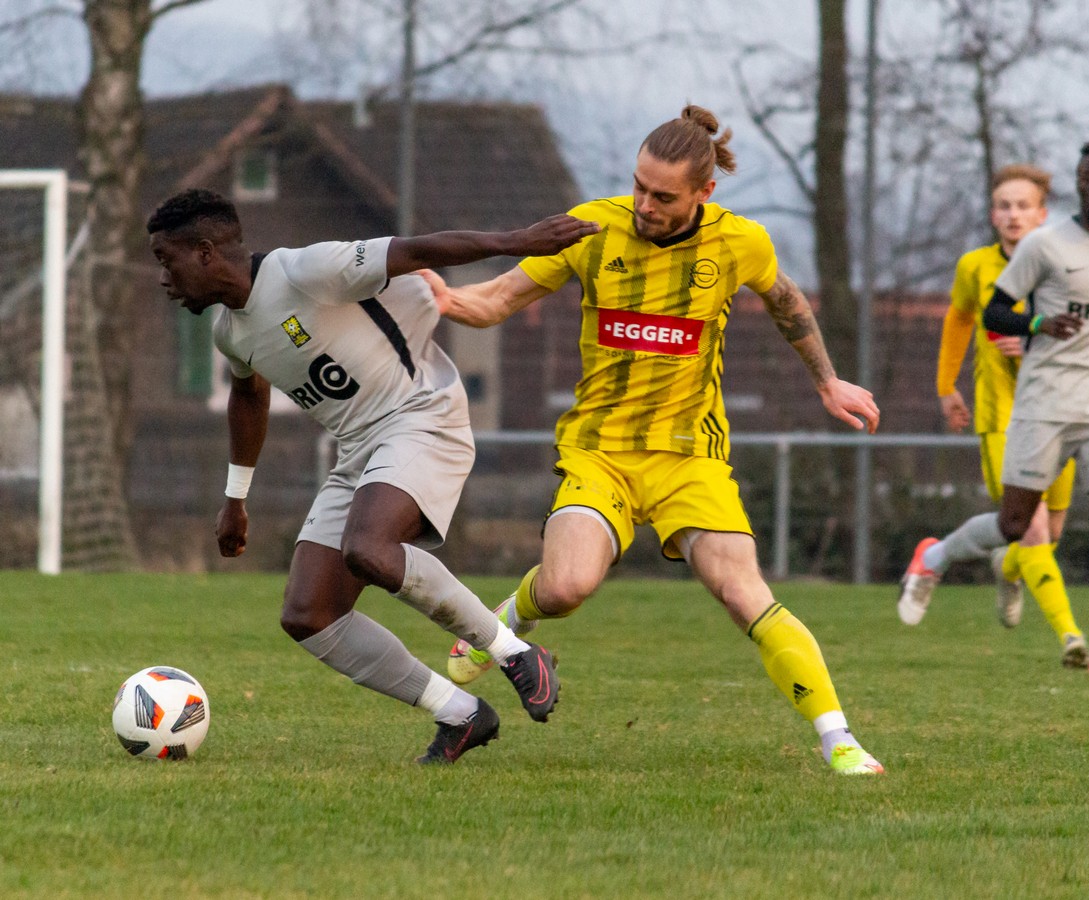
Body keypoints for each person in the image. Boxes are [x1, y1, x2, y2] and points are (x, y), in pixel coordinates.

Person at [421, 105, 884, 775]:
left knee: (743, 593)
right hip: (600, 451)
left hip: (689, 456)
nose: (644, 204)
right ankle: (512, 617)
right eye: (639, 186)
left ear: (704, 193)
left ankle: (837, 739)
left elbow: (786, 300)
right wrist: (448, 299)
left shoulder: (739, 242)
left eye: (663, 196)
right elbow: (498, 298)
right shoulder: (591, 230)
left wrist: (827, 381)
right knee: (567, 588)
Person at [147, 188, 599, 763]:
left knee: (369, 549)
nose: (163, 279)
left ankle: (513, 652)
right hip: (360, 449)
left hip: (422, 416)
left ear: (206, 253)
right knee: (309, 615)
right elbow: (248, 395)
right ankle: (460, 713)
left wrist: (517, 242)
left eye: (167, 260)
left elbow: (416, 250)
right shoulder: (229, 332)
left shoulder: (306, 270)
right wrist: (236, 498)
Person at [899, 139, 1089, 674]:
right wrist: (1038, 324)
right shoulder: (1044, 246)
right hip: (1043, 404)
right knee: (1016, 526)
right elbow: (994, 314)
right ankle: (933, 558)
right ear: (1078, 184)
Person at [918, 164, 1087, 667]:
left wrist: (1034, 343)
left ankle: (1005, 568)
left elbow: (1086, 335)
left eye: (1023, 206)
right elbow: (958, 319)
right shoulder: (975, 266)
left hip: (1058, 412)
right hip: (1002, 418)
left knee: (1047, 537)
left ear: (1042, 214)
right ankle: (1073, 638)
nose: (1013, 215)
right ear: (993, 215)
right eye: (1004, 206)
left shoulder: (1064, 266)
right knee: (1032, 531)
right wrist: (946, 387)